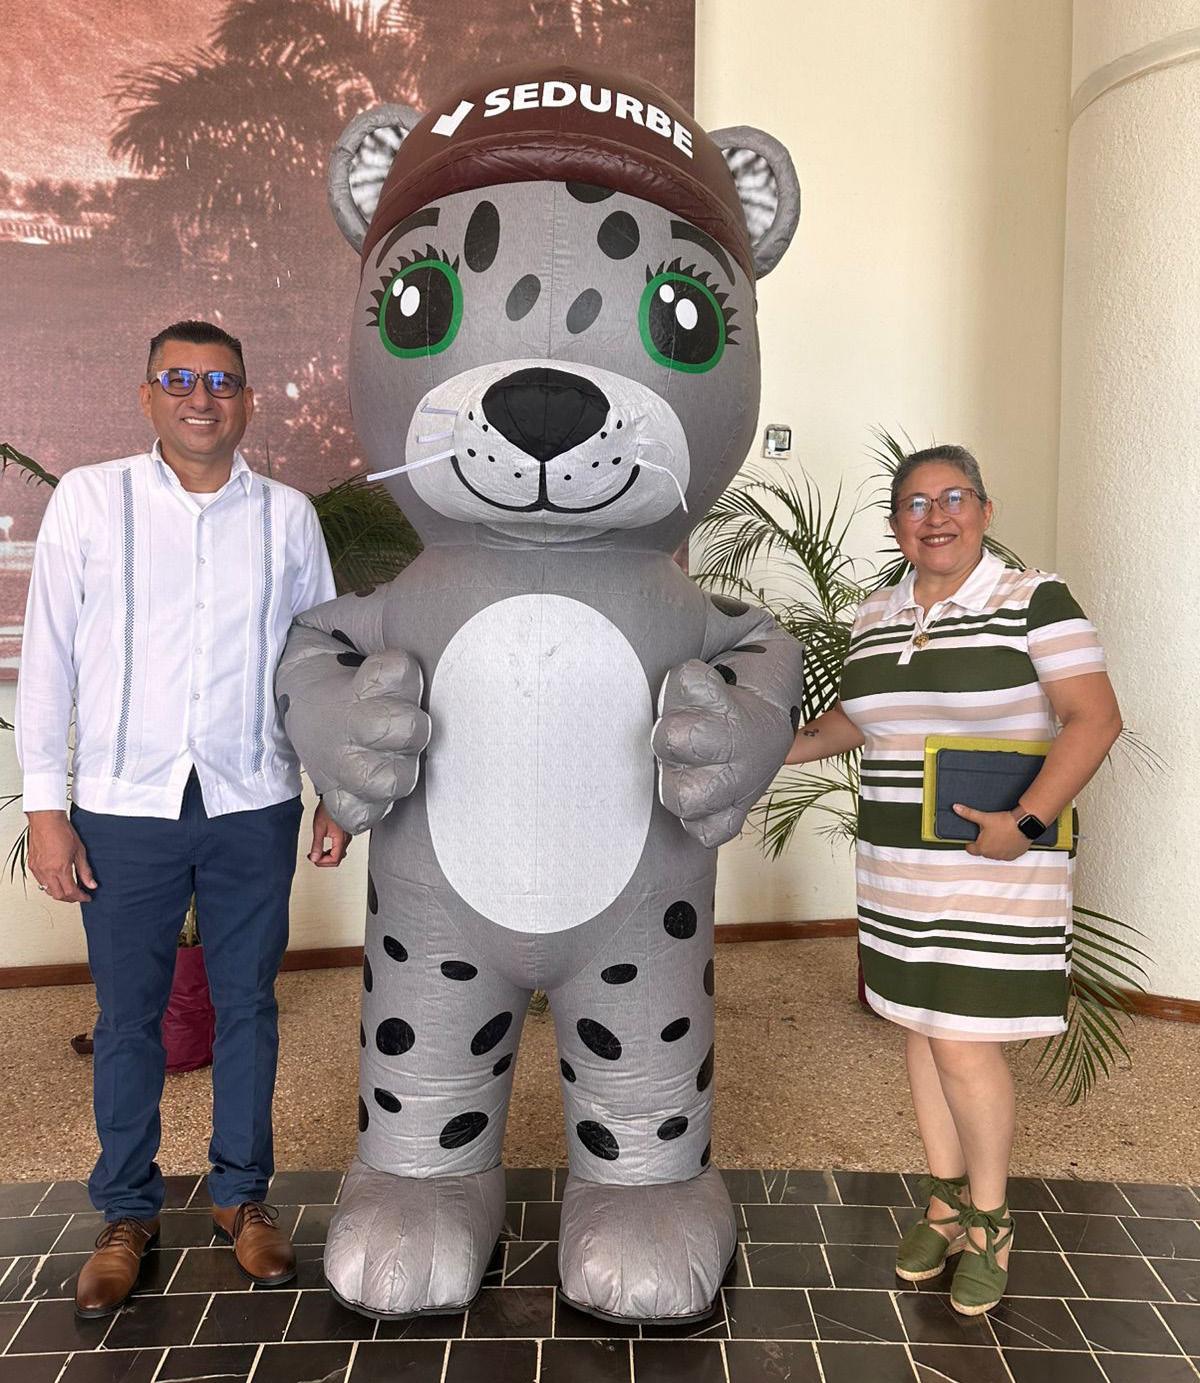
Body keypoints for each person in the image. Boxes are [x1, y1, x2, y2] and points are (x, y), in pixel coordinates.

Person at [15, 319, 351, 1317]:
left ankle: (242, 1198)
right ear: (148, 395)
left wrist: (337, 787)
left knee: (248, 1006)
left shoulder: (287, 518)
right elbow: (49, 656)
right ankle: (127, 1213)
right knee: (128, 1019)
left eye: (220, 381)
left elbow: (321, 662)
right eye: (179, 379)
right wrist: (46, 808)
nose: (201, 397)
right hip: (125, 808)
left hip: (253, 800)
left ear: (246, 399)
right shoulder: (91, 502)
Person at [786, 445, 1121, 1316]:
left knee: (964, 1040)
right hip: (897, 867)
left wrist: (1028, 821)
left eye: (953, 497)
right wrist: (768, 750)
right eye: (915, 503)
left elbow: (1094, 718)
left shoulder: (1034, 600)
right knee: (921, 1025)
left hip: (995, 864)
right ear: (896, 524)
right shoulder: (876, 613)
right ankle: (943, 1200)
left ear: (985, 509)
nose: (934, 516)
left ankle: (992, 1220)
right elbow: (855, 720)